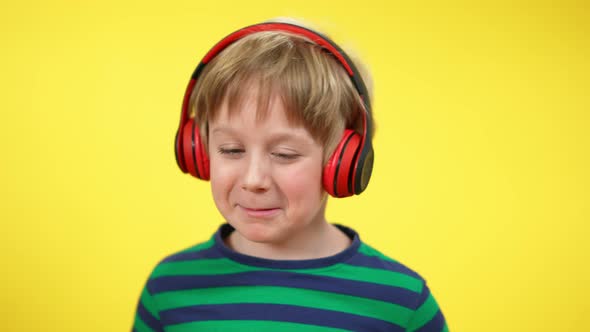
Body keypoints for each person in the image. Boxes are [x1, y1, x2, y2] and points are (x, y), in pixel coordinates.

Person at [132, 19, 449, 332]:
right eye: (231, 150)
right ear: (198, 152)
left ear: (343, 161)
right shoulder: (169, 289)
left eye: (285, 154)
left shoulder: (401, 303)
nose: (253, 179)